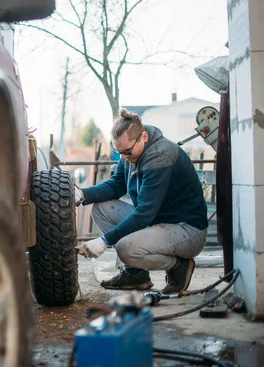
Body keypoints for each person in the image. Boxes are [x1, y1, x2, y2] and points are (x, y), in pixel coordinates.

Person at [76, 109, 208, 294]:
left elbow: (145, 213)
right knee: (101, 210)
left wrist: (104, 241)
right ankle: (136, 275)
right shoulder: (130, 152)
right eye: (118, 151)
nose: (123, 157)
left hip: (187, 230)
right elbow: (116, 186)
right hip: (158, 221)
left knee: (125, 250)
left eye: (127, 151)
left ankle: (179, 266)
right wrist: (81, 194)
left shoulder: (160, 156)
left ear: (144, 136)